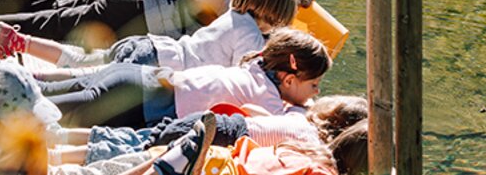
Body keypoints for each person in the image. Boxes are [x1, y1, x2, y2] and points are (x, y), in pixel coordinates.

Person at [0, 0, 301, 73]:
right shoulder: (243, 27)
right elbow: (246, 66)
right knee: (70, 45)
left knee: (55, 8)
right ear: (270, 14)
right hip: (138, 25)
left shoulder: (230, 1)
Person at [38, 29, 331, 130]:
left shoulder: (255, 67)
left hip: (140, 76)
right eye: (313, 85)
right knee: (47, 111)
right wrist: (308, 111)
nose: (315, 93)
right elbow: (283, 121)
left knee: (44, 94)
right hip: (139, 100)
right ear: (289, 79)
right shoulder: (267, 99)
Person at [53, 95, 369, 166]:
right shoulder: (313, 148)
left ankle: (54, 145)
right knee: (130, 154)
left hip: (213, 120)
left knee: (131, 142)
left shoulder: (302, 118)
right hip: (219, 138)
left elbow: (257, 112)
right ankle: (54, 160)